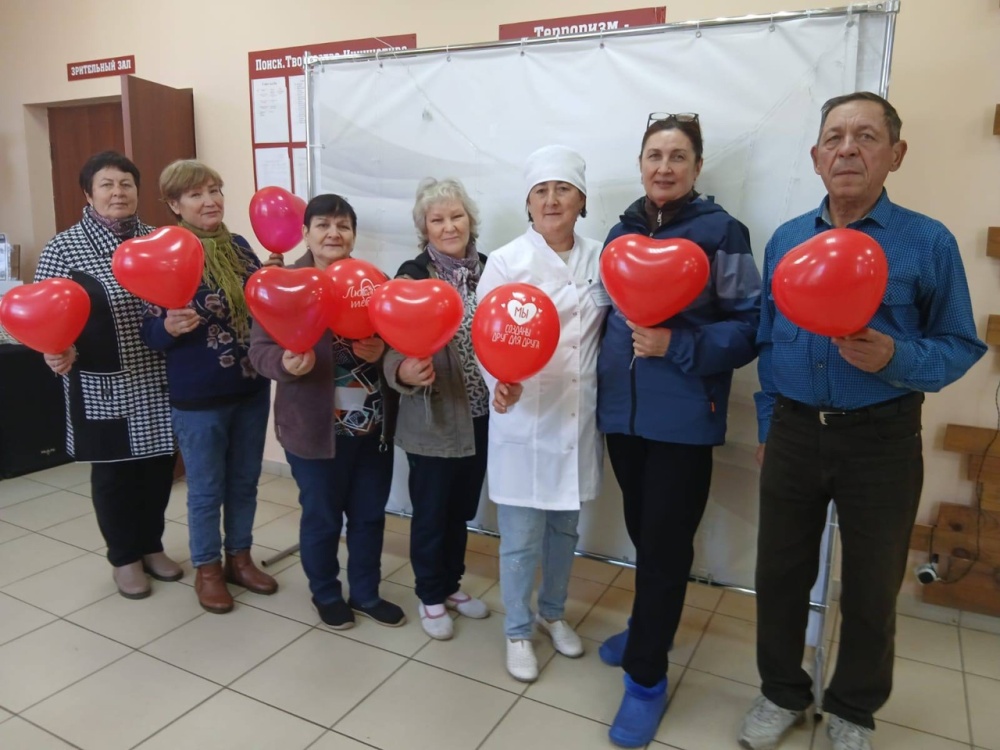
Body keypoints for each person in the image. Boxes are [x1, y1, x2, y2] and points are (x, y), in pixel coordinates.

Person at [741, 92, 986, 750]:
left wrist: (894, 356)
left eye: (866, 136)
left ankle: (853, 708)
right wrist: (767, 424)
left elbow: (960, 344)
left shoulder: (927, 242)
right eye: (835, 137)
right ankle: (780, 692)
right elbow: (768, 339)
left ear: (895, 154)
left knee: (873, 586)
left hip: (881, 438)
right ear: (816, 156)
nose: (848, 148)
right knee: (780, 575)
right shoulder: (788, 239)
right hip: (793, 431)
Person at [597, 113, 761, 747]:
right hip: (623, 417)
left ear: (697, 166)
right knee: (645, 535)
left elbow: (749, 326)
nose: (664, 167)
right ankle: (648, 629)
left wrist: (678, 344)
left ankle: (646, 680)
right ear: (640, 164)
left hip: (685, 420)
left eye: (678, 156)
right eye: (654, 155)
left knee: (666, 548)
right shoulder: (620, 232)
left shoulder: (722, 232)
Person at [475, 145, 607, 683]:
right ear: (528, 203)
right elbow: (484, 336)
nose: (552, 200)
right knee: (521, 537)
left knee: (564, 532)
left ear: (581, 200)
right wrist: (498, 384)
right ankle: (517, 630)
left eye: (563, 189)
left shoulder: (602, 257)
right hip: (524, 417)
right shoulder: (507, 261)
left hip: (576, 417)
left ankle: (553, 613)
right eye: (541, 191)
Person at [248, 194, 405, 630]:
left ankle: (367, 593)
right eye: (322, 225)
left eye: (343, 225)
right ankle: (326, 593)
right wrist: (285, 363)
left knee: (369, 516)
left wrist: (382, 350)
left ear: (353, 234)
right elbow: (259, 351)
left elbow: (401, 340)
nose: (333, 233)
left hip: (372, 428)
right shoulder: (283, 283)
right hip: (313, 429)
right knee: (322, 517)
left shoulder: (374, 281)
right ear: (306, 233)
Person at [34, 151, 180, 600]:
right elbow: (44, 314)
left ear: (138, 191)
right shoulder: (64, 248)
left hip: (157, 379)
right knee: (116, 475)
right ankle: (123, 556)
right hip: (103, 384)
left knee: (157, 469)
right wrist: (55, 349)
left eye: (126, 184)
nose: (118, 193)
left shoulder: (157, 240)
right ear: (89, 193)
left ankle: (151, 544)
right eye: (107, 184)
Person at [141, 159, 277, 614]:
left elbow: (261, 305)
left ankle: (240, 558)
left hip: (251, 386)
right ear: (174, 204)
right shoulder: (165, 253)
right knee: (205, 488)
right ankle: (208, 569)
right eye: (196, 194)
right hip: (198, 397)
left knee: (244, 481)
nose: (210, 201)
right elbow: (149, 332)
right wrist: (168, 327)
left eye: (215, 190)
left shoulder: (238, 247)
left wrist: (275, 278)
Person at [383, 177, 491, 640]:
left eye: (457, 216)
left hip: (484, 415)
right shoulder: (411, 277)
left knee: (461, 509)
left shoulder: (493, 270)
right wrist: (404, 372)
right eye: (437, 219)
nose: (449, 227)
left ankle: (451, 585)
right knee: (431, 512)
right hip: (433, 419)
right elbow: (390, 348)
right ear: (424, 228)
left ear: (470, 220)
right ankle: (429, 594)